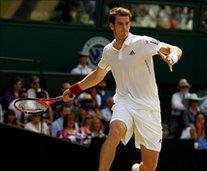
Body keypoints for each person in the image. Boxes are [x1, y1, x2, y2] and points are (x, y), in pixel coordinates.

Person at [62, 7, 182, 171]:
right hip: (124, 101)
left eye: (127, 24)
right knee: (115, 131)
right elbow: (98, 75)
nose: (125, 28)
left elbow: (175, 48)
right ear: (112, 25)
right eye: (120, 24)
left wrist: (172, 57)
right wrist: (74, 89)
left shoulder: (142, 42)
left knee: (149, 166)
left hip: (149, 107)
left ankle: (137, 169)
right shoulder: (108, 51)